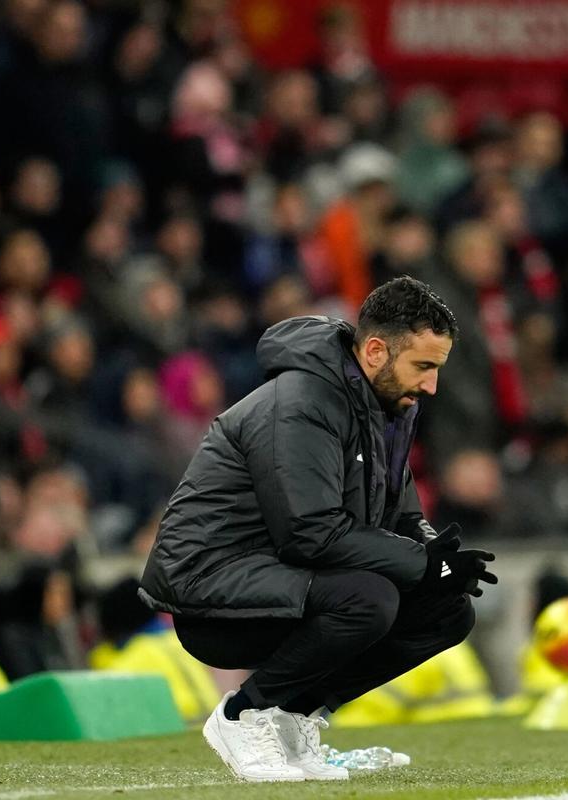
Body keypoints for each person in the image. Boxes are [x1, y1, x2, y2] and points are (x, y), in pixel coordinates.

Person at [138, 277, 498, 782]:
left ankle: (293, 716)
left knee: (448, 611)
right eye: (424, 367)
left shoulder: (386, 406)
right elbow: (310, 533)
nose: (431, 386)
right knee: (369, 598)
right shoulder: (302, 401)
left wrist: (438, 555)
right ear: (375, 351)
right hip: (210, 591)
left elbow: (400, 514)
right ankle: (243, 714)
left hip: (282, 576)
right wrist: (422, 562)